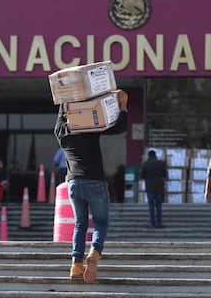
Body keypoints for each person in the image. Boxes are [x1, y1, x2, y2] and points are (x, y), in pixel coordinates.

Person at [54, 90, 128, 283]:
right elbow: (119, 127)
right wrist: (123, 105)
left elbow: (61, 119)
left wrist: (66, 101)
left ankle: (76, 265)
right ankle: (94, 253)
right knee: (101, 222)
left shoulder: (61, 133)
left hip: (74, 184)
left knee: (80, 223)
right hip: (95, 181)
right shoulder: (88, 127)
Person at [140, 150, 167, 229]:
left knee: (151, 206)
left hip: (149, 188)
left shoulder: (145, 164)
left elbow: (142, 175)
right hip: (159, 187)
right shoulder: (161, 163)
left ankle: (152, 224)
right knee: (158, 206)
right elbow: (164, 174)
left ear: (149, 156)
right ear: (155, 155)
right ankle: (159, 223)